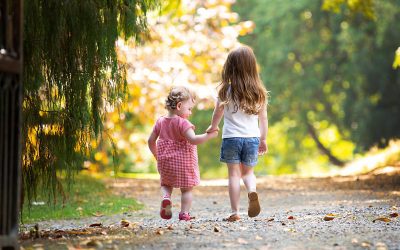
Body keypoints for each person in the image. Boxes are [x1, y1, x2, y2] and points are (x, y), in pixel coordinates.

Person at [207, 45, 268, 222]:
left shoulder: (225, 91)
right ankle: (252, 191)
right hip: (252, 138)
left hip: (231, 138)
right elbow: (263, 119)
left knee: (233, 174)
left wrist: (212, 127)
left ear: (230, 67)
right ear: (252, 67)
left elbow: (217, 113)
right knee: (248, 173)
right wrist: (263, 139)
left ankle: (235, 212)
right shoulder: (259, 93)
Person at [148, 86, 218, 221]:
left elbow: (150, 141)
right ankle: (184, 214)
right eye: (189, 109)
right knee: (186, 189)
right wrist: (209, 135)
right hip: (183, 163)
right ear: (179, 106)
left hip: (165, 162)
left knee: (166, 184)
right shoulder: (183, 123)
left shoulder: (160, 121)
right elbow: (193, 140)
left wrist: (157, 156)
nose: (190, 112)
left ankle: (166, 198)